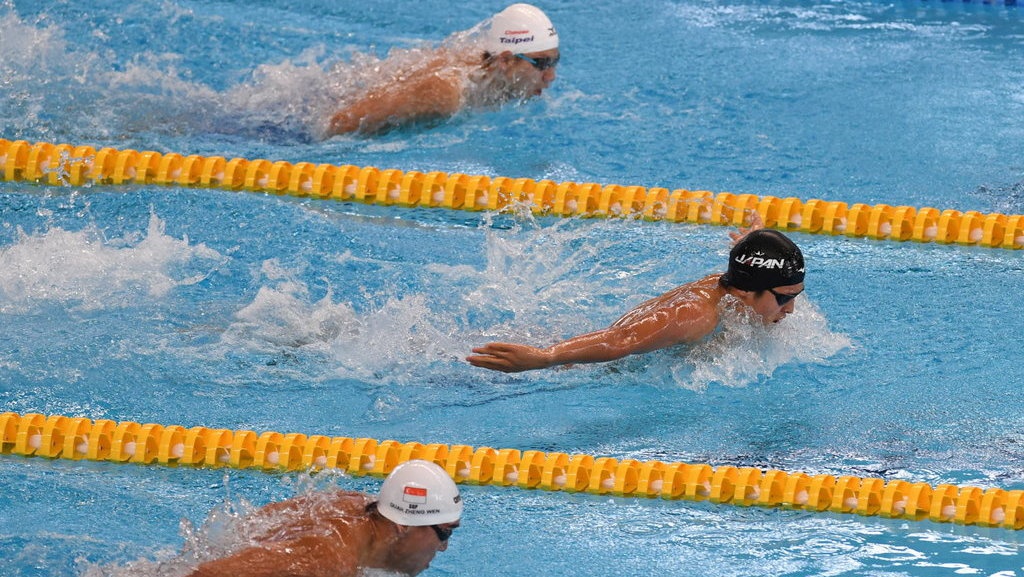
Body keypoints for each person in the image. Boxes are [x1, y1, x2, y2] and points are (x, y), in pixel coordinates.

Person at [466, 219, 806, 373]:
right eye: (782, 298)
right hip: (580, 368)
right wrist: (544, 358)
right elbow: (622, 340)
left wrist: (751, 243)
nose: (790, 309)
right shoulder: (695, 314)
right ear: (748, 292)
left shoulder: (738, 287)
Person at [187, 460, 463, 577]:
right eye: (445, 533)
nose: (443, 547)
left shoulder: (360, 506)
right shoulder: (327, 560)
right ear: (403, 523)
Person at [326, 3, 560, 136]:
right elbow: (342, 122)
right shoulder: (446, 93)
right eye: (541, 64)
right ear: (506, 61)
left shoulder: (500, 75)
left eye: (554, 61)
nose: (551, 76)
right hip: (316, 116)